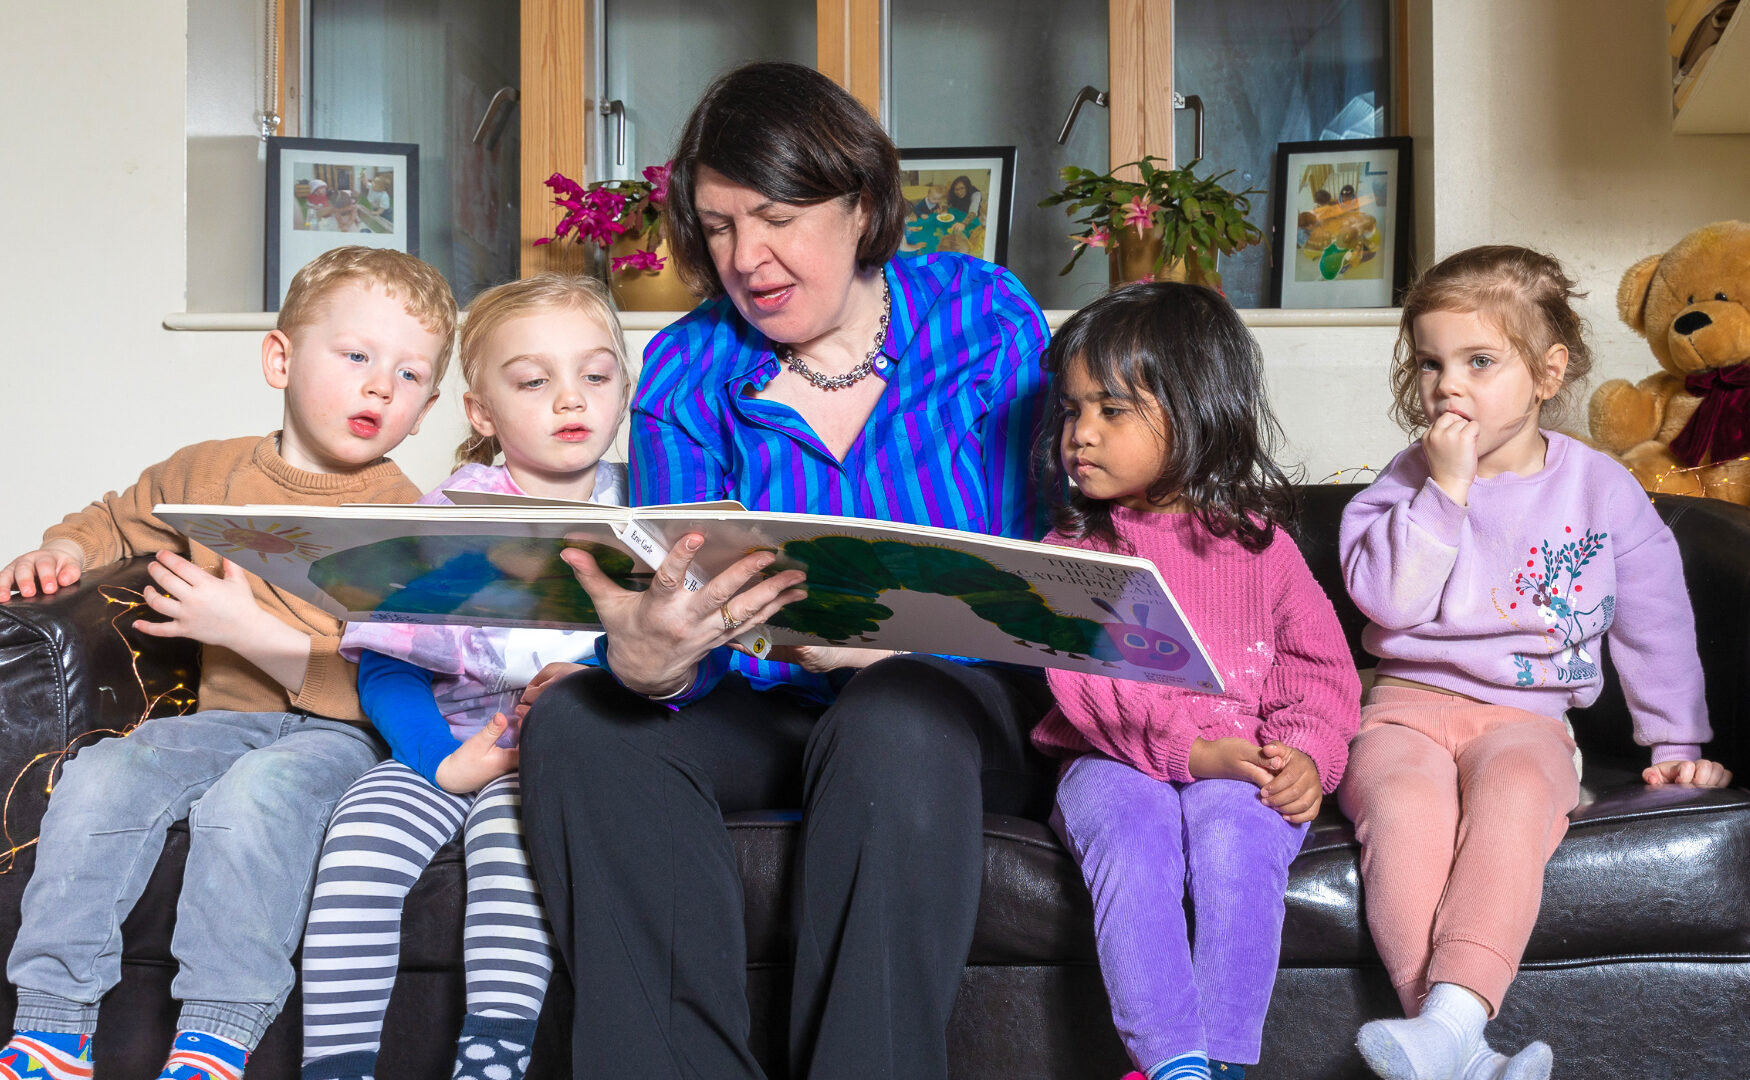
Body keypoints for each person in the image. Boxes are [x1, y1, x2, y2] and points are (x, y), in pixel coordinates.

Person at [516, 60, 1054, 1080]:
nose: (745, 258)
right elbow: (679, 600)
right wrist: (651, 661)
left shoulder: (982, 315)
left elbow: (1044, 566)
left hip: (947, 706)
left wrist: (912, 643)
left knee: (892, 707)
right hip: (770, 705)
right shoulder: (686, 366)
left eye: (773, 216)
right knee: (587, 723)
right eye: (717, 227)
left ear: (859, 203)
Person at [0, 246, 455, 1080]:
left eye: (411, 374)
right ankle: (50, 1028)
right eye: (356, 356)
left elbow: (396, 678)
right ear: (279, 358)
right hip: (220, 721)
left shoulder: (412, 519)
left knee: (259, 796)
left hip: (339, 733)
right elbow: (114, 520)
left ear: (426, 411)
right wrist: (59, 549)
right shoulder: (208, 471)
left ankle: (215, 1035)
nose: (381, 386)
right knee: (102, 775)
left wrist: (246, 630)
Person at [1337, 246, 1734, 1080]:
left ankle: (1447, 1033)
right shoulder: (1402, 485)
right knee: (1405, 811)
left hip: (1529, 717)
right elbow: (1391, 604)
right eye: (1432, 363)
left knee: (1517, 795)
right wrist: (1443, 495)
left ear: (1549, 372)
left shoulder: (1602, 489)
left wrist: (1674, 746)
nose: (1450, 385)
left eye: (1480, 361)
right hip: (1403, 705)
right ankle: (1458, 1043)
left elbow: (1654, 619)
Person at [296, 274, 630, 1080]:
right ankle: (336, 1066)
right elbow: (385, 661)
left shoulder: (649, 511)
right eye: (534, 381)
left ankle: (491, 1061)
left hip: (558, 748)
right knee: (362, 833)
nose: (570, 400)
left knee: (511, 840)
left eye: (595, 374)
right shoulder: (449, 514)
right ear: (482, 413)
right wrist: (439, 762)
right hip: (447, 736)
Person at [1032, 282, 1360, 1080]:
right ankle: (1171, 1064)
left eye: (1111, 411)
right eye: (1072, 411)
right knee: (1132, 838)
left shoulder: (1263, 550)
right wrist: (1196, 750)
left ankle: (1222, 1065)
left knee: (1237, 832)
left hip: (1241, 766)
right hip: (1108, 762)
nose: (1081, 434)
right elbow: (1093, 692)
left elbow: (1319, 673)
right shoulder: (1076, 553)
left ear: (1196, 409)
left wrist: (1305, 755)